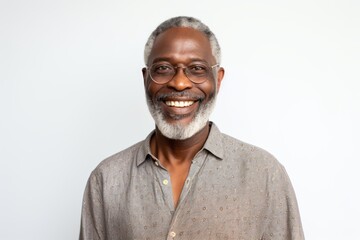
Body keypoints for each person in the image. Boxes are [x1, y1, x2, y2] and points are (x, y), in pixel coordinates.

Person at [79, 16, 304, 240]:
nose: (179, 83)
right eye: (163, 68)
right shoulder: (106, 180)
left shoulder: (264, 174)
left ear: (218, 78)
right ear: (146, 78)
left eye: (196, 68)